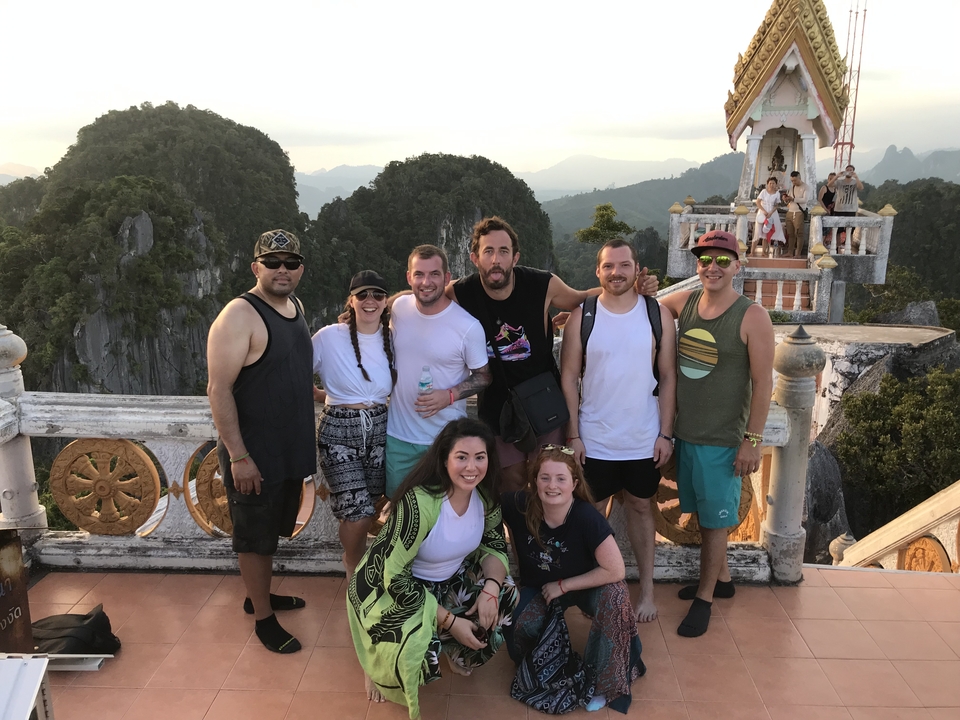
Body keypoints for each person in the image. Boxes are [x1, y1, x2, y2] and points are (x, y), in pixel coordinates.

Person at [451, 216, 658, 492]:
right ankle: (517, 537)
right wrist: (383, 303)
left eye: (503, 251)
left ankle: (548, 537)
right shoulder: (462, 292)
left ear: (515, 257)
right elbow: (423, 298)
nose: (496, 260)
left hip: (544, 402)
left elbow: (582, 297)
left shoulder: (541, 284)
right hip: (498, 408)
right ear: (475, 258)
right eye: (488, 251)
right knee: (509, 485)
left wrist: (632, 287)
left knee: (550, 480)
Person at [348, 418, 519, 719]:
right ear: (444, 459)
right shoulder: (419, 503)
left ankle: (455, 650)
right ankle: (377, 667)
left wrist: (491, 588)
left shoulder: (487, 496)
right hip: (390, 588)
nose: (471, 467)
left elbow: (494, 544)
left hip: (446, 578)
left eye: (480, 457)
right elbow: (394, 577)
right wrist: (451, 622)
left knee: (506, 593)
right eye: (461, 457)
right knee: (417, 647)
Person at [657, 229, 774, 638]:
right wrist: (585, 311)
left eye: (723, 260)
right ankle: (721, 581)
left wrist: (752, 441)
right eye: (706, 260)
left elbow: (764, 384)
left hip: (723, 441)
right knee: (705, 517)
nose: (713, 267)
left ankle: (705, 598)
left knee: (715, 522)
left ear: (737, 266)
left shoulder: (751, 315)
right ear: (697, 266)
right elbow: (639, 307)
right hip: (686, 434)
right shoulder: (685, 302)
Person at [206, 229, 317, 654]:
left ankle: (261, 595)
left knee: (270, 532)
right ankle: (263, 619)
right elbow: (218, 390)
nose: (282, 270)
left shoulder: (295, 307)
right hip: (253, 452)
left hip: (287, 447)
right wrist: (239, 456)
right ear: (256, 268)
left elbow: (289, 369)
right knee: (253, 536)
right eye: (272, 263)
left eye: (290, 263)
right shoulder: (239, 315)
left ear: (301, 268)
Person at [559, 238, 676, 624]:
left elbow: (669, 376)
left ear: (637, 270)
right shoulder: (583, 316)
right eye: (609, 266)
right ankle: (593, 590)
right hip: (595, 437)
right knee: (590, 513)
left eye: (624, 265)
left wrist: (666, 433)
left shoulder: (657, 315)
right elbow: (569, 377)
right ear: (598, 271)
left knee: (643, 509)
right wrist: (573, 435)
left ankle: (646, 591)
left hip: (642, 436)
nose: (616, 272)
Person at [502, 446, 645, 714]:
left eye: (560, 478)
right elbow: (481, 505)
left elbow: (615, 570)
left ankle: (603, 684)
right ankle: (546, 664)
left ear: (574, 484)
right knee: (520, 622)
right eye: (544, 478)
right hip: (540, 587)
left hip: (585, 584)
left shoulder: (586, 517)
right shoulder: (518, 504)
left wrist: (564, 585)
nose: (552, 485)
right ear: (534, 482)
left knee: (615, 596)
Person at [385, 245, 492, 496]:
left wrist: (450, 395)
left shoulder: (467, 327)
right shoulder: (399, 308)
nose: (426, 282)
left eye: (434, 274)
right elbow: (369, 310)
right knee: (399, 512)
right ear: (409, 277)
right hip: (399, 436)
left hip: (445, 441)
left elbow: (484, 375)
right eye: (419, 274)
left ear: (446, 278)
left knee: (443, 515)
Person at [312, 270, 395, 580]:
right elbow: (296, 369)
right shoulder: (329, 336)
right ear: (351, 299)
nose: (370, 301)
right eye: (362, 295)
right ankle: (354, 570)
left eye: (377, 294)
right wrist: (323, 394)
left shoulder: (393, 338)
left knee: (370, 504)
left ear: (386, 301)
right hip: (338, 429)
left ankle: (359, 567)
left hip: (380, 426)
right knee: (358, 514)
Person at [754, 177, 786, 256]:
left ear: (776, 184)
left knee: (767, 231)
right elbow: (758, 202)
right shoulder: (763, 192)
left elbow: (776, 205)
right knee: (758, 231)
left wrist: (771, 212)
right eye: (770, 183)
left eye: (773, 183)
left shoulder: (777, 193)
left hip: (772, 214)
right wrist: (763, 211)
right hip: (762, 213)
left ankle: (764, 251)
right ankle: (752, 251)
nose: (771, 185)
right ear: (767, 184)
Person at [783, 171, 810, 257]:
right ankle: (790, 252)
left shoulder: (806, 187)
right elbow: (789, 199)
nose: (793, 182)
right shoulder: (792, 187)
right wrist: (786, 198)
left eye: (795, 180)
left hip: (799, 212)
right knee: (790, 233)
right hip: (790, 211)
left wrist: (793, 199)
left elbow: (805, 199)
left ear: (799, 178)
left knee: (799, 233)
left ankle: (798, 253)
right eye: (792, 181)